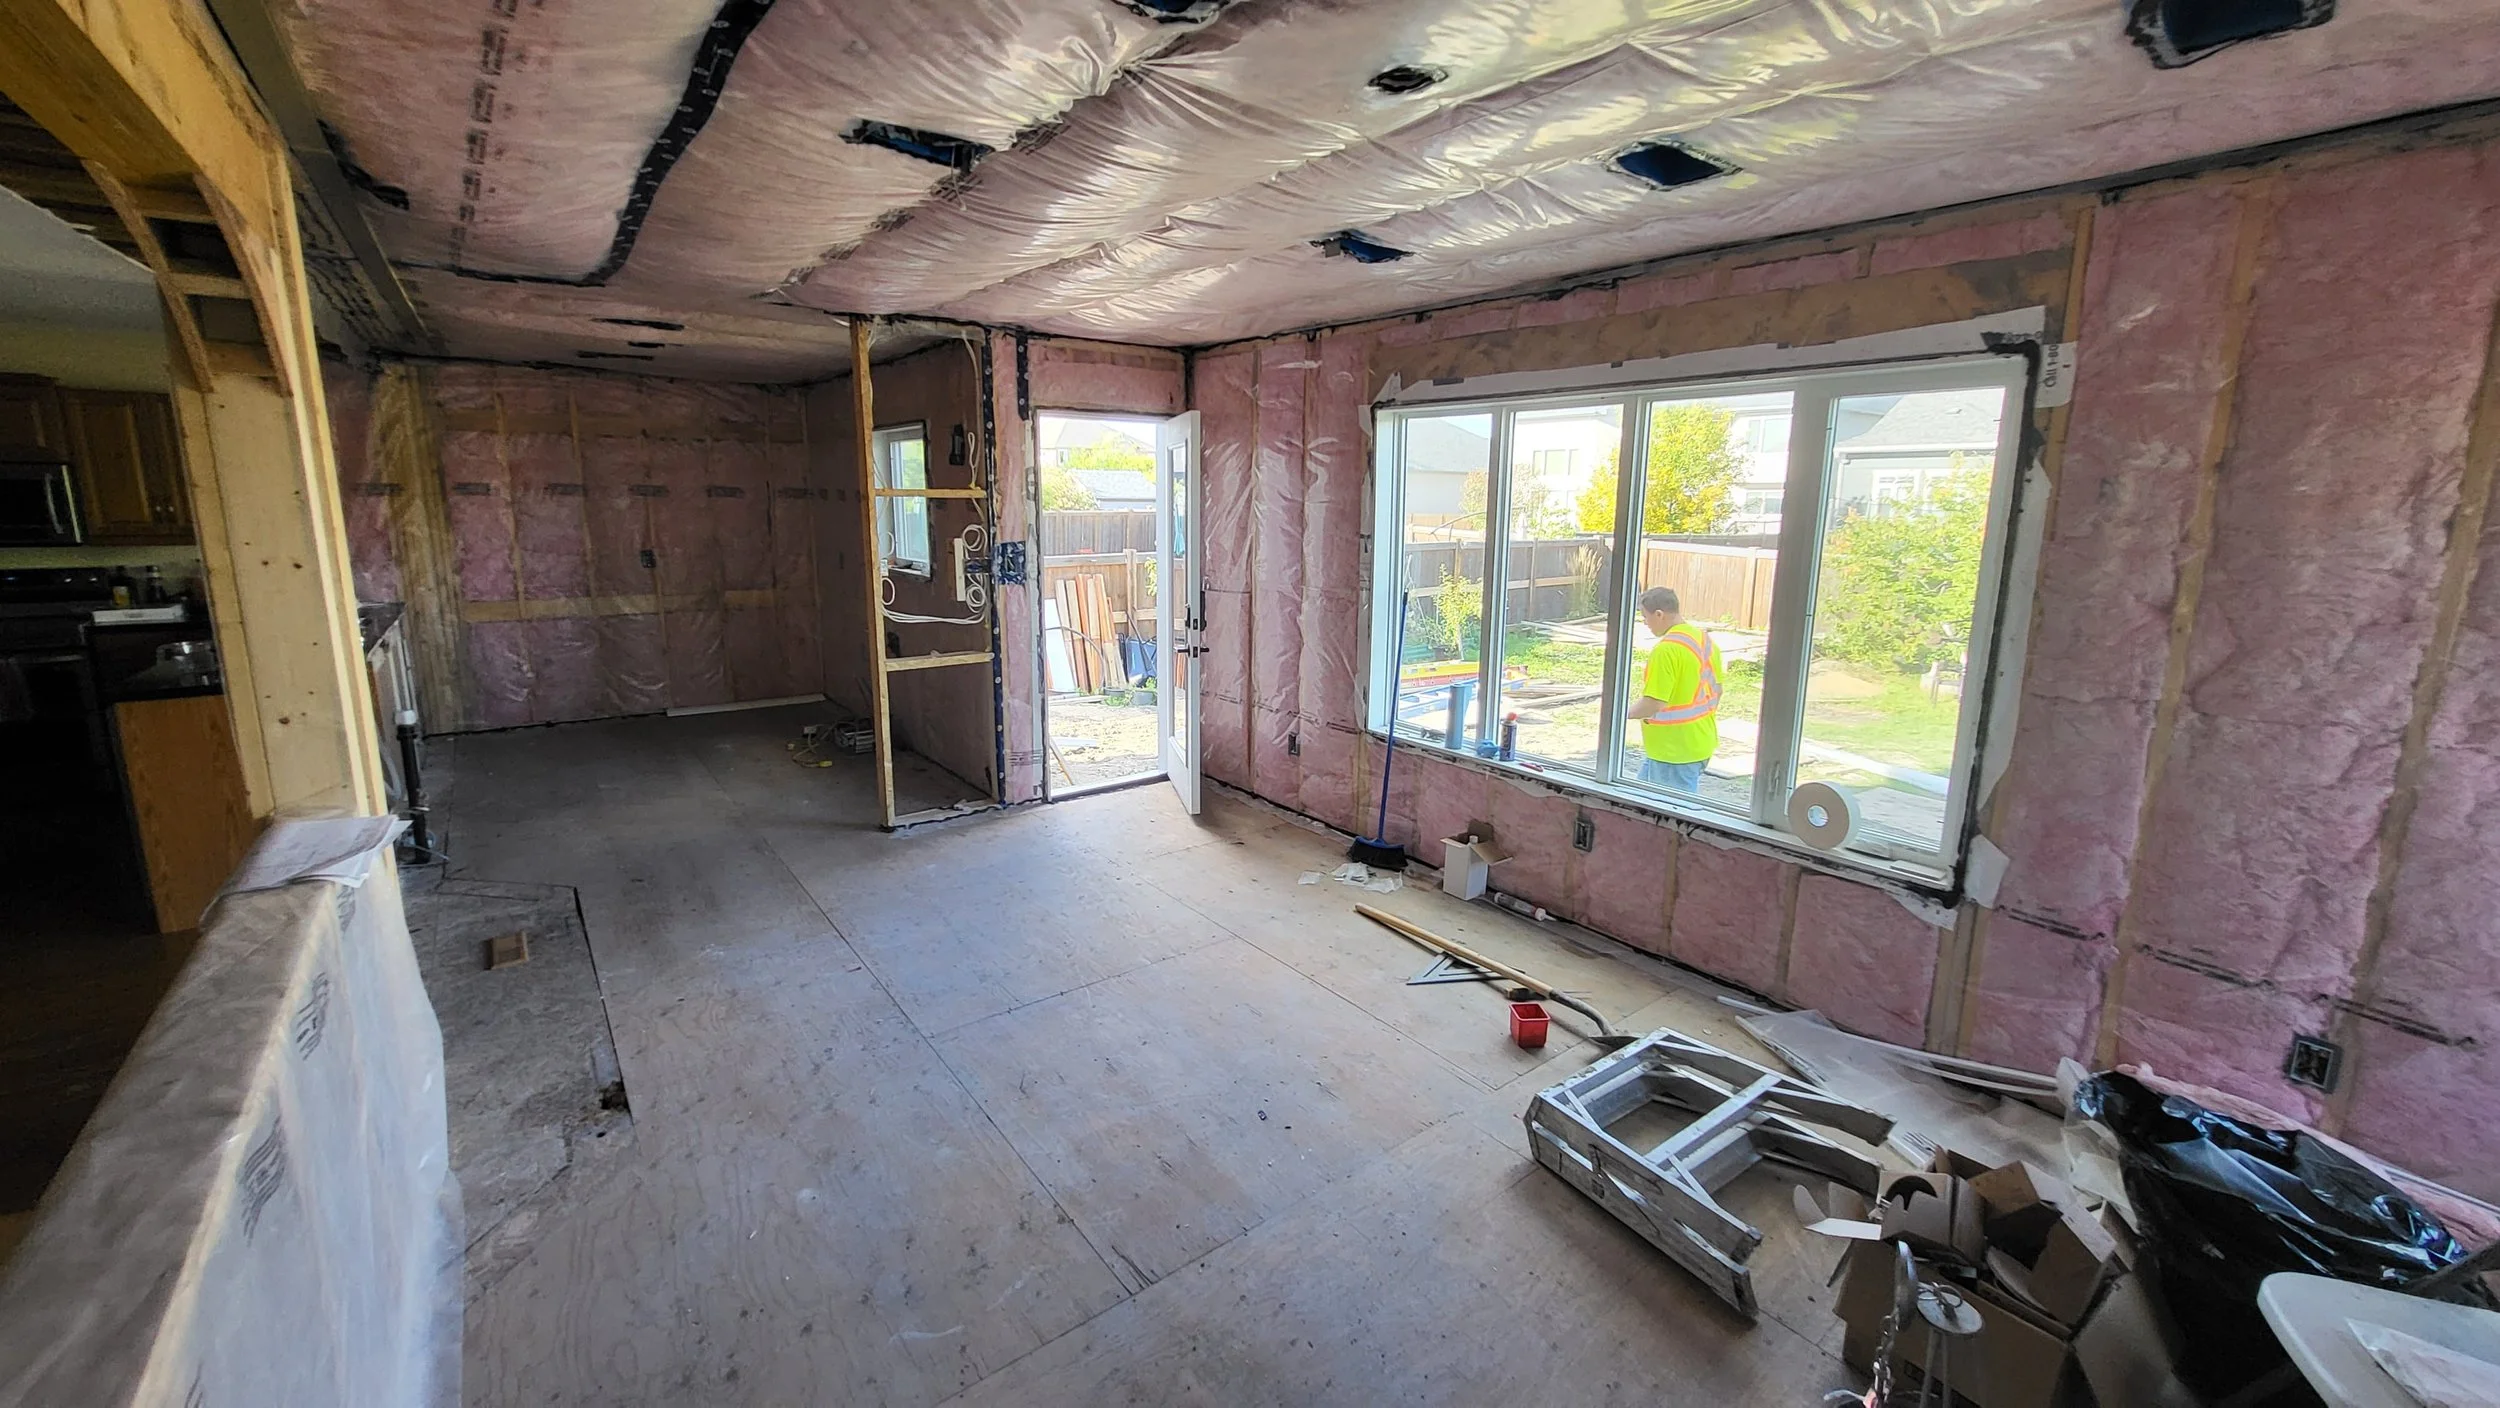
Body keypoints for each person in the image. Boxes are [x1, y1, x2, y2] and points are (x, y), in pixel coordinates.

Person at [1627, 586, 1721, 793]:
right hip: (1698, 742)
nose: (1645, 623)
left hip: (1673, 752)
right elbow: (1717, 690)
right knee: (1637, 796)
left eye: (1645, 617)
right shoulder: (1705, 641)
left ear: (1659, 614)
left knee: (1667, 818)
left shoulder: (1666, 650)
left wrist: (1622, 715)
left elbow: (1653, 703)